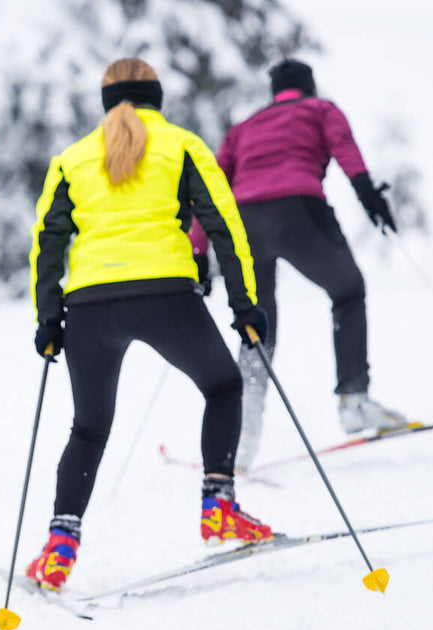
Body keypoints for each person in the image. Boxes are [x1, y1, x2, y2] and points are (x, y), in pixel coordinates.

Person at [24, 57, 273, 593]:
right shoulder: (182, 145)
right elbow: (224, 225)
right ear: (156, 97)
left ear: (104, 101)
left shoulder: (72, 157)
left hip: (89, 304)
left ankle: (60, 547)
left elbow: (48, 239)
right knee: (224, 385)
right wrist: (244, 305)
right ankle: (219, 506)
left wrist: (48, 318)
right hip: (165, 295)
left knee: (88, 428)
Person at [192, 58, 407, 469]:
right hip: (299, 212)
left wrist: (197, 252)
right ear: (307, 86)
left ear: (274, 92)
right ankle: (354, 400)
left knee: (257, 321)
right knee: (347, 290)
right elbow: (345, 149)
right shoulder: (319, 109)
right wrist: (369, 198)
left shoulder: (245, 127)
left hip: (245, 222)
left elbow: (213, 185)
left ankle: (245, 424)